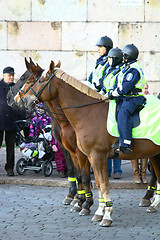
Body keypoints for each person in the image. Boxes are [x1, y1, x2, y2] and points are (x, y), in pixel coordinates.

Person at [108, 44, 146, 154]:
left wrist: (113, 93)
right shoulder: (128, 67)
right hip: (127, 97)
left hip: (134, 98)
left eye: (124, 55)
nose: (122, 57)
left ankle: (126, 143)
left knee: (124, 112)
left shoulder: (133, 70)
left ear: (128, 56)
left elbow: (125, 88)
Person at [29, 103, 67, 177]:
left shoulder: (48, 119)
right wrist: (32, 137)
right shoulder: (34, 119)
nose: (40, 110)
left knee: (63, 155)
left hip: (48, 137)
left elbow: (51, 129)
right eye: (38, 109)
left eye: (41, 109)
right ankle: (61, 169)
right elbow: (31, 130)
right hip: (40, 138)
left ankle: (64, 169)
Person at [0, 66, 25, 176]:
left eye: (13, 75)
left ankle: (10, 167)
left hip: (12, 121)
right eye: (9, 75)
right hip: (0, 121)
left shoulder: (16, 88)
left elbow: (21, 105)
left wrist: (21, 121)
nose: (11, 77)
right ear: (3, 75)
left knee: (11, 147)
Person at [131, 83, 150, 184]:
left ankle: (143, 174)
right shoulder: (135, 99)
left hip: (146, 129)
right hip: (136, 128)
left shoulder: (150, 100)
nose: (145, 90)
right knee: (134, 152)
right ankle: (135, 175)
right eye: (143, 89)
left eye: (146, 88)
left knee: (145, 154)